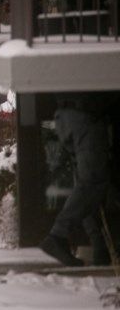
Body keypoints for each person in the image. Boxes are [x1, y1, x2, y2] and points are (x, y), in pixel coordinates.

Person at [39, 93, 113, 267]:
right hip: (85, 115)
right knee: (92, 183)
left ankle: (99, 246)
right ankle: (58, 235)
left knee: (86, 184)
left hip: (68, 116)